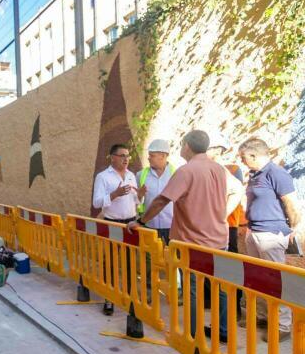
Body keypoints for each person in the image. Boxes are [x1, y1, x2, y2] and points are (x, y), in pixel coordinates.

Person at [128, 130, 242, 343]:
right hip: (219, 238)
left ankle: (192, 333)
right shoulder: (219, 169)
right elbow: (237, 190)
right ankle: (223, 331)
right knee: (220, 287)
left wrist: (141, 221)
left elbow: (163, 200)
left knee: (192, 288)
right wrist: (222, 214)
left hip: (193, 241)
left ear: (187, 146)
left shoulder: (185, 171)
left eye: (181, 145)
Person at [239, 138, 301, 343]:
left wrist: (292, 229)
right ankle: (263, 317)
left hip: (271, 234)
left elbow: (292, 204)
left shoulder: (276, 173)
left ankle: (283, 324)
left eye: (244, 157)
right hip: (255, 231)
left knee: (276, 280)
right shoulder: (255, 174)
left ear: (254, 155)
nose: (242, 161)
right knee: (258, 278)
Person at [92, 144, 142, 314]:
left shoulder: (131, 176)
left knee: (130, 263)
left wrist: (140, 195)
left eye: (127, 155)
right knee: (111, 263)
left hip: (130, 224)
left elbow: (135, 201)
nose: (126, 159)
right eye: (122, 155)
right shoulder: (103, 177)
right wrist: (114, 194)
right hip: (112, 223)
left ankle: (129, 297)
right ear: (112, 157)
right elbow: (96, 203)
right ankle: (109, 298)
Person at [207, 133, 246, 318]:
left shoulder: (231, 169)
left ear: (216, 150)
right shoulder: (207, 168)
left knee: (230, 266)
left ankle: (235, 307)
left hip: (228, 225)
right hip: (211, 226)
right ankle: (214, 302)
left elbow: (235, 192)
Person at [136, 139, 175, 292]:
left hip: (171, 225)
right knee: (148, 259)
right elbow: (135, 201)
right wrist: (138, 195)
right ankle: (149, 289)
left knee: (174, 259)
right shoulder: (141, 175)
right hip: (149, 225)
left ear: (163, 156)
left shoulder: (176, 174)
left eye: (152, 155)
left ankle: (176, 290)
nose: (149, 158)